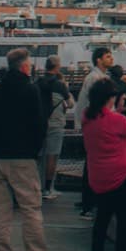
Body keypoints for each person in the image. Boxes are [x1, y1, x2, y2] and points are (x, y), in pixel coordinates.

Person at [0, 45, 47, 251]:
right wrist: (34, 151)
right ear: (25, 66)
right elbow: (39, 126)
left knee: (0, 212)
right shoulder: (31, 91)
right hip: (23, 158)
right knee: (31, 209)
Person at [80, 77, 126, 251]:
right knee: (124, 218)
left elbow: (107, 123)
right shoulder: (116, 120)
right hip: (121, 175)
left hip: (98, 175)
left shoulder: (87, 116)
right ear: (110, 98)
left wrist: (118, 110)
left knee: (102, 216)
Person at [73, 44, 117, 218]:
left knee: (92, 163)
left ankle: (89, 201)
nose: (111, 58)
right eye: (108, 56)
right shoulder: (95, 78)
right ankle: (88, 203)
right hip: (95, 124)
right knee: (92, 164)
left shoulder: (98, 76)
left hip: (93, 123)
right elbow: (93, 103)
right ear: (99, 60)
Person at [36, 55, 70, 198]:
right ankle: (48, 188)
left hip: (40, 122)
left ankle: (36, 186)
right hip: (55, 123)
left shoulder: (37, 82)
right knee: (52, 156)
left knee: (39, 156)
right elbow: (70, 103)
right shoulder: (59, 84)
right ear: (57, 66)